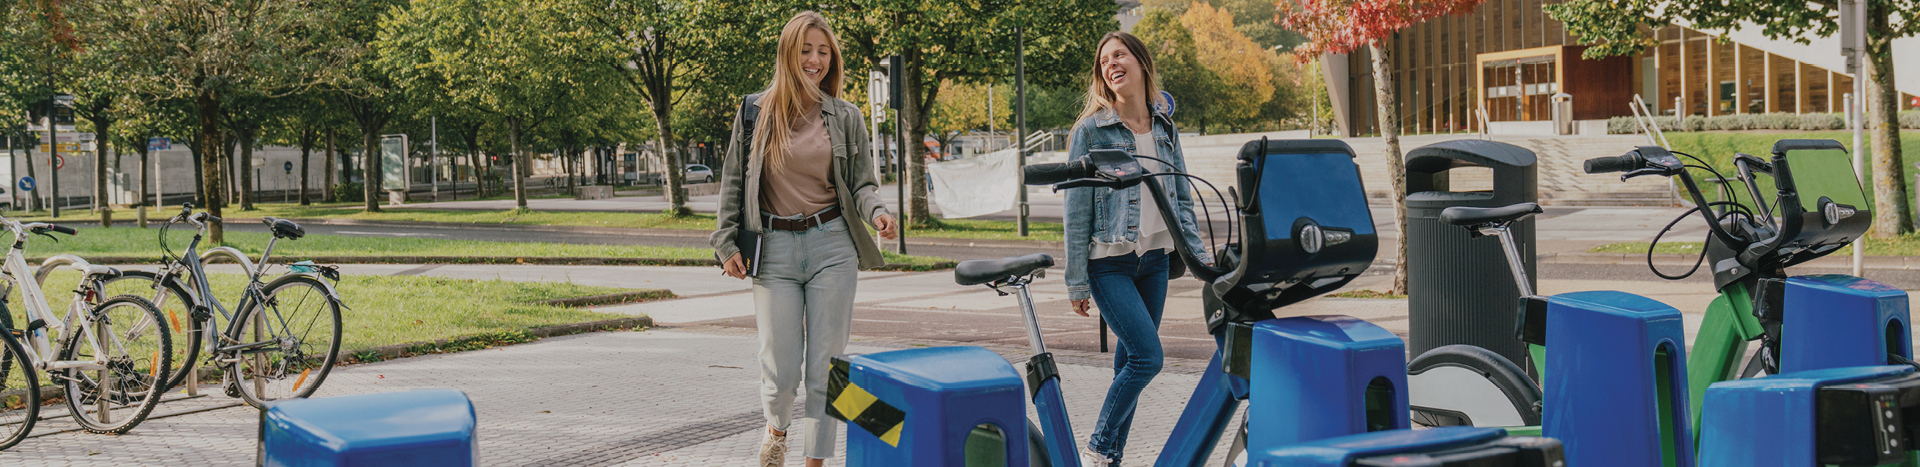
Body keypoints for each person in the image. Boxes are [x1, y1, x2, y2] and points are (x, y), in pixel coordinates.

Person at [709, 10, 899, 467]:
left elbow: (862, 184)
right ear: (788, 54)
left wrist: (878, 212)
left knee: (826, 369)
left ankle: (816, 460)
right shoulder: (755, 111)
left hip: (832, 245)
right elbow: (733, 180)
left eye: (823, 51)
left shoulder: (845, 116)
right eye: (806, 50)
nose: (815, 60)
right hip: (772, 249)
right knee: (780, 369)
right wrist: (725, 241)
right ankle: (777, 429)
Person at [1061, 31, 1212, 467]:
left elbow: (1181, 194)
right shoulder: (1090, 130)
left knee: (1127, 363)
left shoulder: (1164, 128)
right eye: (1104, 61)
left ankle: (1112, 459)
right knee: (1147, 359)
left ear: (1141, 63)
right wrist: (1075, 280)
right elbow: (1076, 210)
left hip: (1156, 261)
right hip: (1109, 263)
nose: (1111, 65)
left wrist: (1197, 254)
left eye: (1119, 55)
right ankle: (1096, 449)